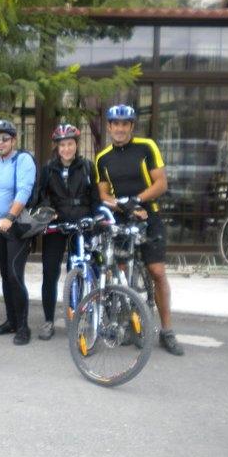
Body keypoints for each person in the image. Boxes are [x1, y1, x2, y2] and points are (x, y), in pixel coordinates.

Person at [95, 104, 184, 356]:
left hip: (149, 215)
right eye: (115, 124)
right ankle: (128, 322)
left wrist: (137, 200)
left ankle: (167, 330)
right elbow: (103, 192)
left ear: (131, 126)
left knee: (156, 271)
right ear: (110, 127)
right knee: (121, 272)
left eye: (125, 124)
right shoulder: (103, 158)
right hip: (122, 218)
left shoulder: (147, 147)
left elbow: (161, 183)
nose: (120, 128)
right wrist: (120, 205)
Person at [0, 119, 37, 345]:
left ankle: (23, 326)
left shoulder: (23, 160)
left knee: (14, 275)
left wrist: (9, 217)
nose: (0, 143)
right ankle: (11, 321)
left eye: (5, 139)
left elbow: (23, 191)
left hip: (16, 227)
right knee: (4, 274)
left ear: (13, 140)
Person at [37, 124, 101, 340]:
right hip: (57, 225)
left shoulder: (87, 167)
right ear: (57, 147)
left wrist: (94, 219)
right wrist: (49, 211)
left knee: (80, 268)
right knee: (50, 272)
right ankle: (48, 320)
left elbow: (95, 197)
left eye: (70, 144)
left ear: (76, 145)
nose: (66, 149)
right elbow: (41, 194)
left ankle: (79, 313)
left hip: (81, 224)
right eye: (62, 145)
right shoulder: (48, 169)